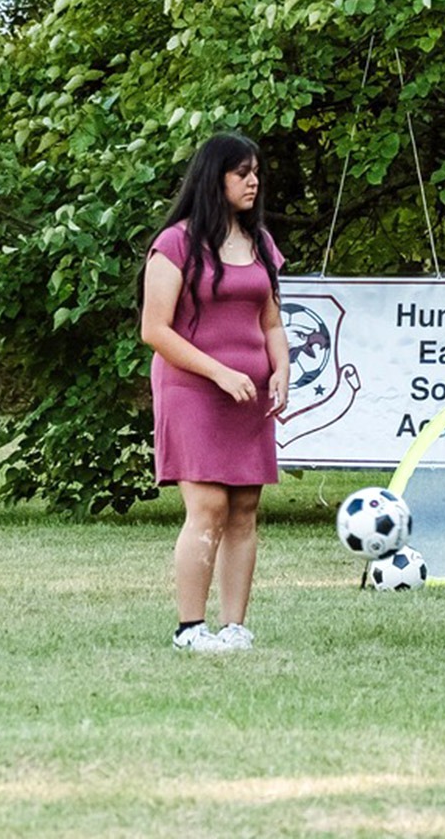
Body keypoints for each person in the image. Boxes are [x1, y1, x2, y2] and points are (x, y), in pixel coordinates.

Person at [140, 132, 288, 654]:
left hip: (249, 396)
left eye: (256, 173)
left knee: (245, 508)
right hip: (192, 389)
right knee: (207, 508)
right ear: (214, 178)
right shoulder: (176, 243)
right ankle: (189, 629)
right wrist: (219, 373)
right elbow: (155, 330)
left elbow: (270, 320)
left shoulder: (261, 243)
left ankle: (234, 626)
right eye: (241, 173)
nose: (253, 181)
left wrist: (282, 368)